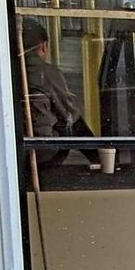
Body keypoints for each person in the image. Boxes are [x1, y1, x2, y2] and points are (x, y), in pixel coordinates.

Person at [18, 17, 103, 171]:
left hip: (13, 151)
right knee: (72, 122)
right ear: (43, 46)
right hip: (41, 153)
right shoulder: (46, 73)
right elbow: (69, 116)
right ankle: (101, 160)